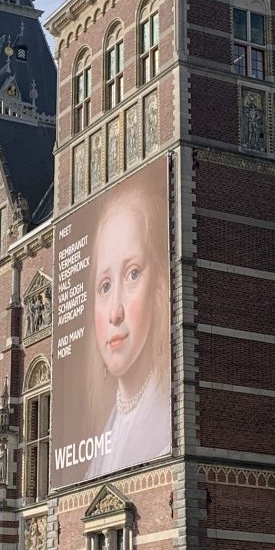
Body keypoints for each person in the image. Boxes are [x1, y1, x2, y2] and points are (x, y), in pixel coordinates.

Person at [84, 178, 172, 480]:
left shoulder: (168, 422)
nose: (115, 312)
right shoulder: (94, 454)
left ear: (160, 284)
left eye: (133, 274)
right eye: (105, 285)